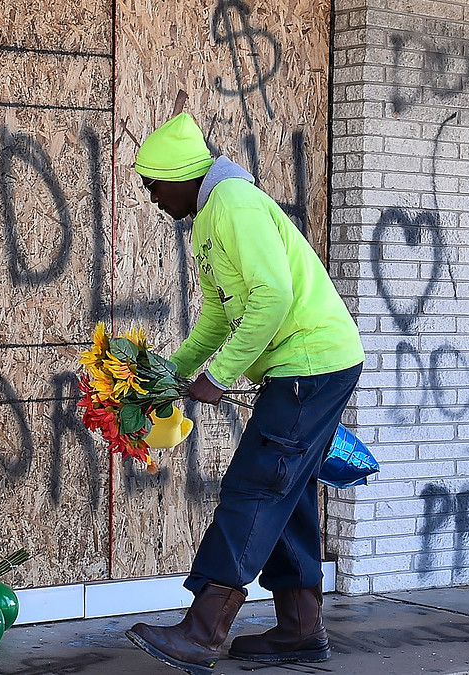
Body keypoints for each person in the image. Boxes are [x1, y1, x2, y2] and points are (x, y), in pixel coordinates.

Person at [122, 113, 365, 675]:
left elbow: (274, 296)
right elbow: (217, 315)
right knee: (289, 491)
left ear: (179, 176)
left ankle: (202, 632)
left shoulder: (233, 203)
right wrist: (165, 372)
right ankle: (301, 630)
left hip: (310, 364)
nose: (152, 198)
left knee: (256, 487)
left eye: (152, 185)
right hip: (307, 366)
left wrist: (221, 375)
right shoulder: (209, 217)